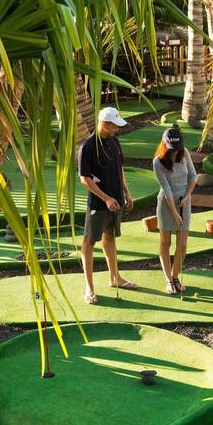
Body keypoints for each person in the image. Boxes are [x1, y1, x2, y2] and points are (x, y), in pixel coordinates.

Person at [78, 106, 136, 304]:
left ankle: (115, 278)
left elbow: (119, 169)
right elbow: (84, 179)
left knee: (110, 237)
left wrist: (126, 193)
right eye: (114, 127)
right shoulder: (87, 146)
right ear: (104, 124)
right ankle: (89, 288)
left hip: (116, 200)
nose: (117, 130)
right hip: (98, 203)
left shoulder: (114, 141)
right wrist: (105, 198)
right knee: (89, 242)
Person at [153, 125, 197, 294]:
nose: (174, 152)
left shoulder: (184, 153)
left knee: (183, 243)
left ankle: (175, 276)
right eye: (171, 149)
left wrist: (186, 198)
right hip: (166, 203)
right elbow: (167, 190)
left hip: (185, 201)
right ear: (164, 145)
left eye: (176, 149)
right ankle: (168, 280)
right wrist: (174, 213)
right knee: (166, 242)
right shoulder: (158, 162)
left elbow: (193, 177)